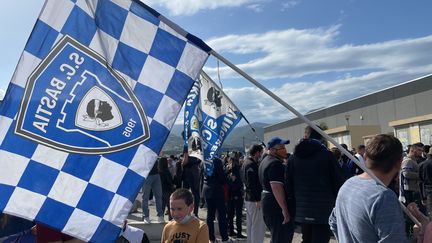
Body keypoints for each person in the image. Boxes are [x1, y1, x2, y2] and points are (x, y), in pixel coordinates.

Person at [329, 134, 409, 242]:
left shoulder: (348, 184)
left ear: (365, 157)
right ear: (399, 163)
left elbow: (333, 222)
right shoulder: (383, 197)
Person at [286, 126, 343, 243]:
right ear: (321, 137)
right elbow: (338, 182)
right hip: (324, 209)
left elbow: (288, 184)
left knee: (306, 239)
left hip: (302, 209)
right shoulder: (327, 155)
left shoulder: (293, 158)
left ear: (305, 136)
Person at [259, 137, 294, 243]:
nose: (284, 149)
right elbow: (276, 188)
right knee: (281, 237)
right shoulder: (275, 164)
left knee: (276, 236)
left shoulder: (264, 161)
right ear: (273, 150)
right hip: (275, 205)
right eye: (281, 147)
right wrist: (285, 209)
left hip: (268, 202)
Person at [203, 157, 231, 243]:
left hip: (207, 189)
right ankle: (224, 238)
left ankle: (211, 238)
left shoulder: (204, 160)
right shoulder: (217, 161)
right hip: (217, 190)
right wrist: (228, 174)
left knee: (210, 216)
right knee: (222, 215)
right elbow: (222, 178)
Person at [241, 144, 265, 243]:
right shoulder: (250, 164)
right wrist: (257, 199)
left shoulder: (246, 163)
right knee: (257, 225)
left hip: (248, 198)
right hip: (253, 199)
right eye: (260, 152)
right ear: (256, 153)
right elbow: (251, 184)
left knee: (251, 223)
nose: (261, 154)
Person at [226, 153, 245, 238]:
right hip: (237, 194)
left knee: (230, 214)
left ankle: (231, 231)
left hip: (230, 195)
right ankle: (239, 233)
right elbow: (238, 183)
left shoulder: (227, 170)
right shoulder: (237, 170)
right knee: (238, 215)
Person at [141, 159, 164, 224]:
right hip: (147, 175)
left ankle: (160, 215)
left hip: (156, 174)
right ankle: (146, 216)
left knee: (159, 196)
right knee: (145, 197)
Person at [159, 157, 175, 221]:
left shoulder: (159, 171)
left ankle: (161, 218)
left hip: (160, 190)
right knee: (169, 206)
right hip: (167, 190)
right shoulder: (166, 171)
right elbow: (169, 181)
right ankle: (170, 219)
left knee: (162, 206)